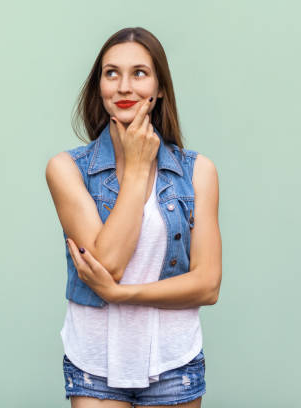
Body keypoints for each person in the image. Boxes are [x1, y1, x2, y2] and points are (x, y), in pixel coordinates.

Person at [45, 27, 222, 408]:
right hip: (93, 366)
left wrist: (120, 296)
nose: (124, 87)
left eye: (139, 73)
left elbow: (207, 285)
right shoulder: (67, 169)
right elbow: (109, 264)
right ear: (100, 87)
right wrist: (139, 171)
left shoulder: (198, 172)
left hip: (174, 363)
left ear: (159, 88)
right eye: (112, 73)